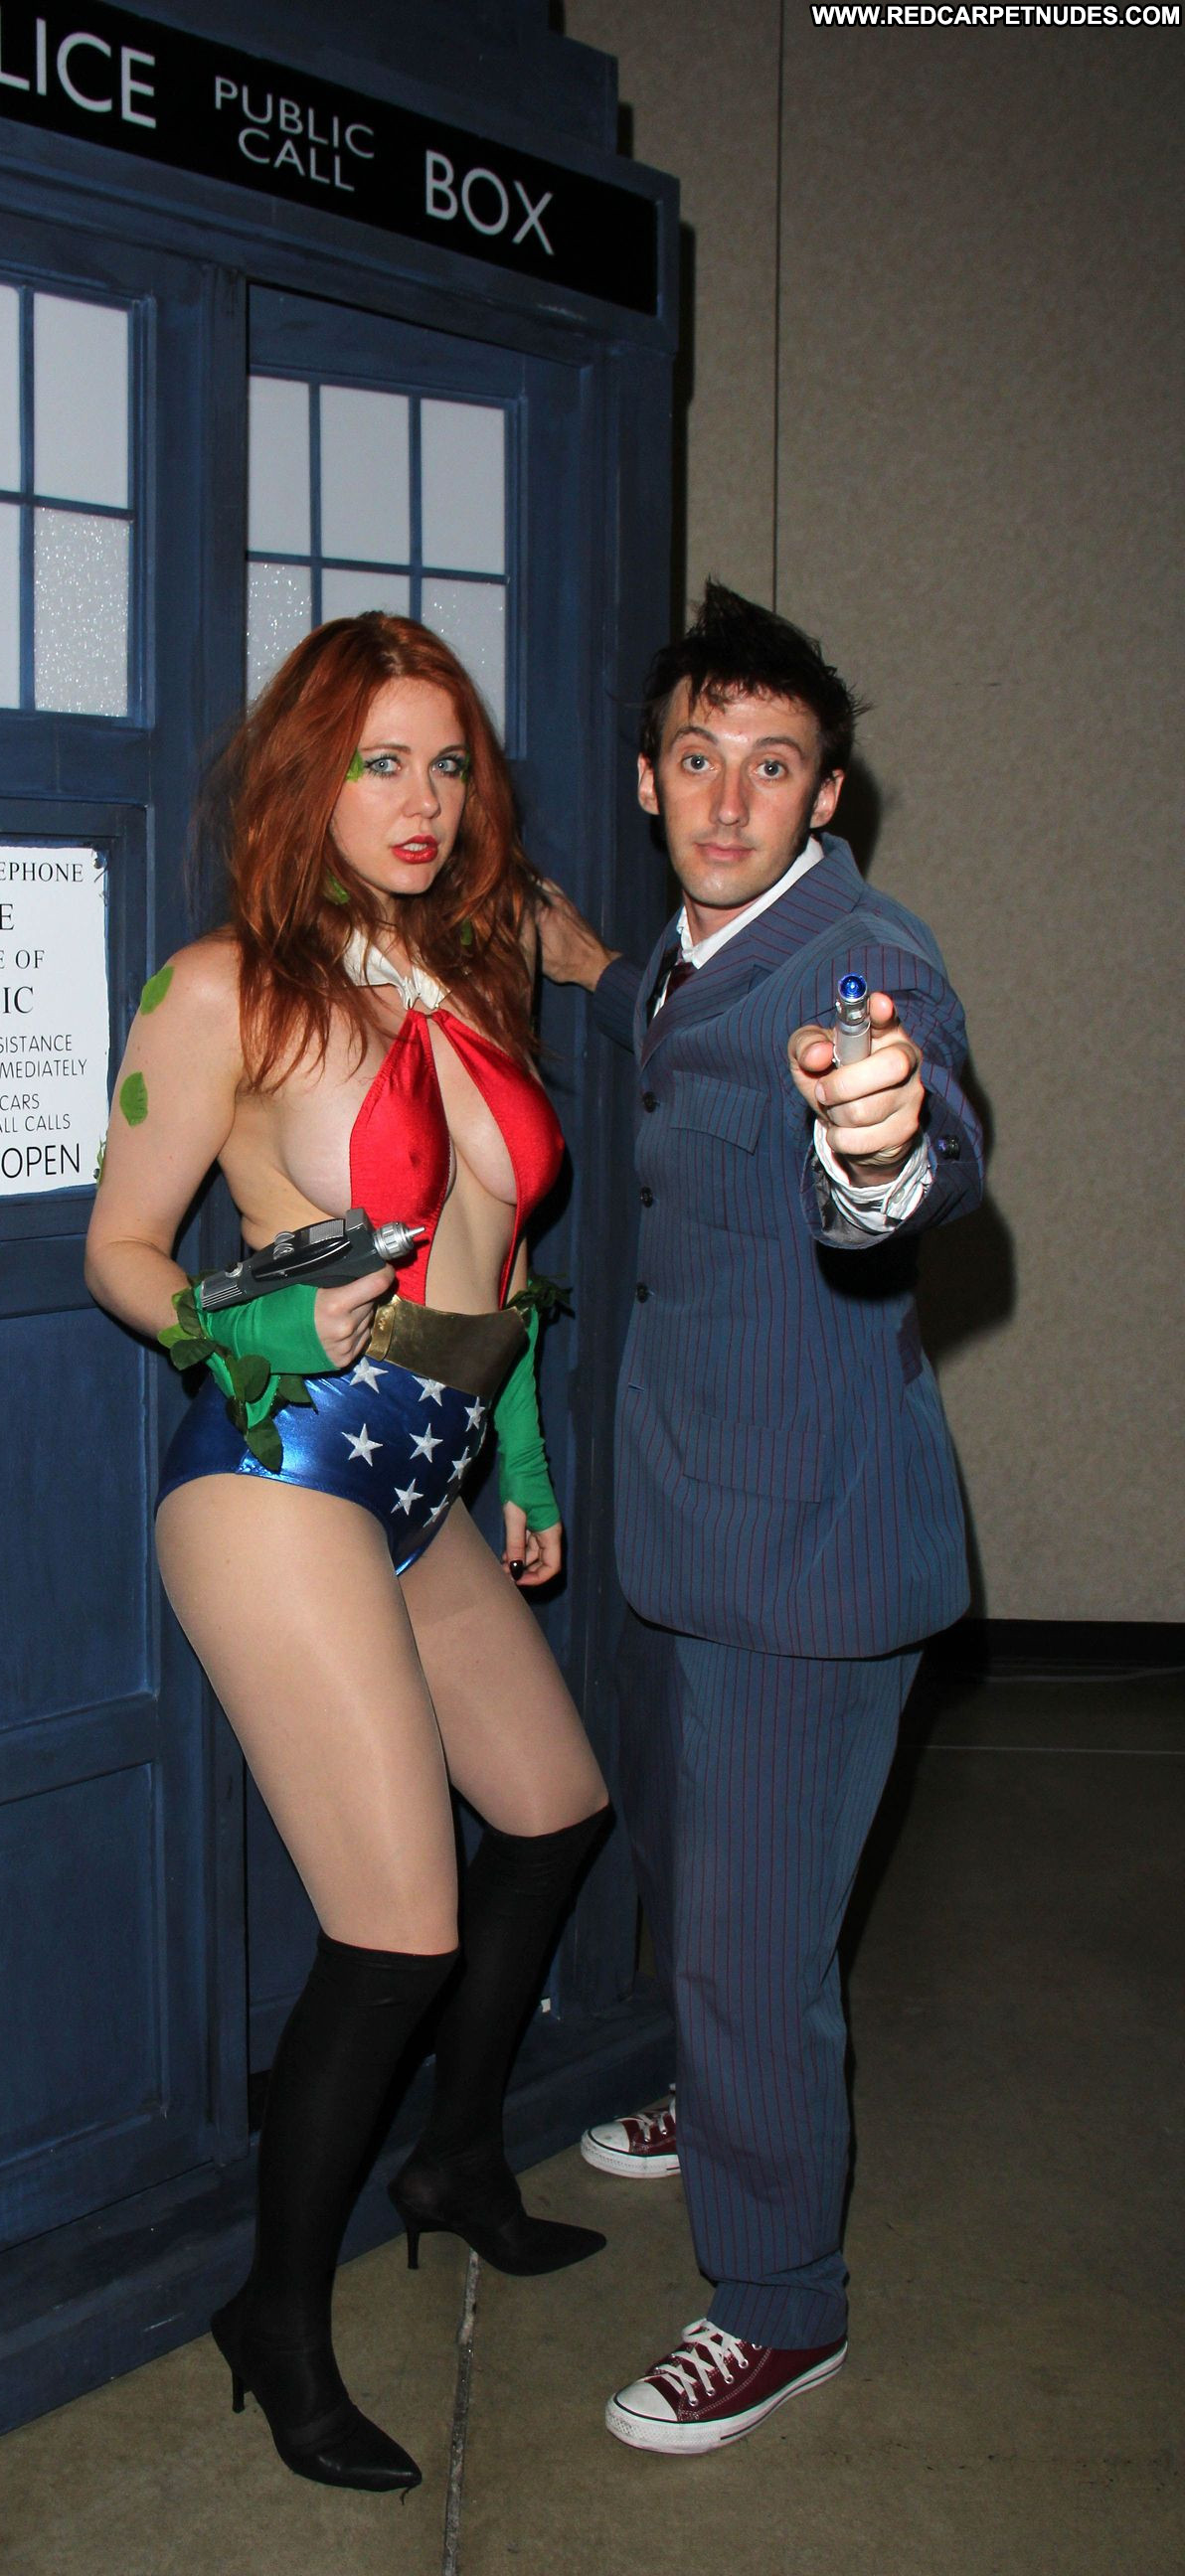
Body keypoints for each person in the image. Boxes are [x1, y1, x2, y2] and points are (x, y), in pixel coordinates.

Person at [85, 613, 610, 2496]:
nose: (421, 798)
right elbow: (118, 1250)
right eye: (381, 761)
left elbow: (496, 1268)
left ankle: (454, 2161)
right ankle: (276, 2320)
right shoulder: (221, 989)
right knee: (396, 1929)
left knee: (552, 1815)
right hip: (278, 1472)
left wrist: (519, 1459)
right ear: (309, 778)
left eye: (448, 762)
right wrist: (254, 1321)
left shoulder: (465, 974)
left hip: (427, 1471)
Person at [535, 583, 983, 2455]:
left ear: (828, 793)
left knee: (746, 1944)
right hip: (679, 1521)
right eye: (700, 759)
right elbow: (651, 1009)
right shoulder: (678, 952)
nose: (732, 800)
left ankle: (784, 2302)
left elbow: (915, 1132)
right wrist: (576, 958)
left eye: (774, 766)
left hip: (809, 1552)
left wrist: (881, 1142)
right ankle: (727, 2098)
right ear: (649, 781)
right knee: (687, 1852)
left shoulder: (858, 963)